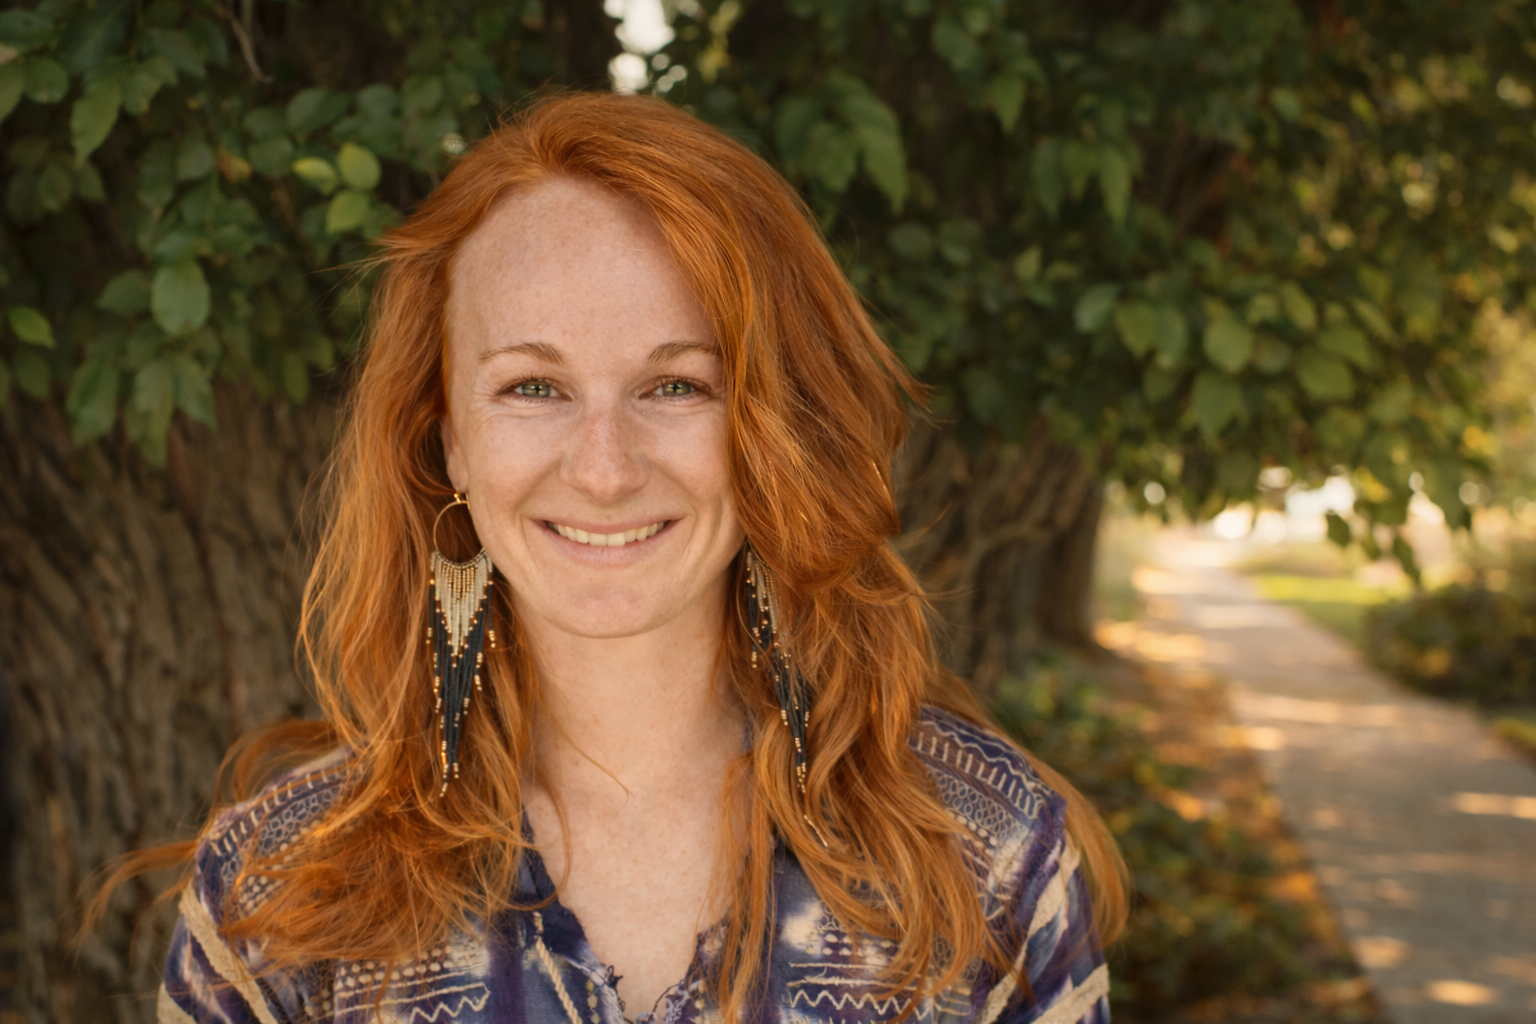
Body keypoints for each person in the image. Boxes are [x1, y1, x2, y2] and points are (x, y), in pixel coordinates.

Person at [133, 92, 1125, 1024]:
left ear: (772, 429)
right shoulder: (275, 899)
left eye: (676, 386)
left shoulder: (987, 861)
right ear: (447, 445)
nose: (604, 470)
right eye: (531, 387)